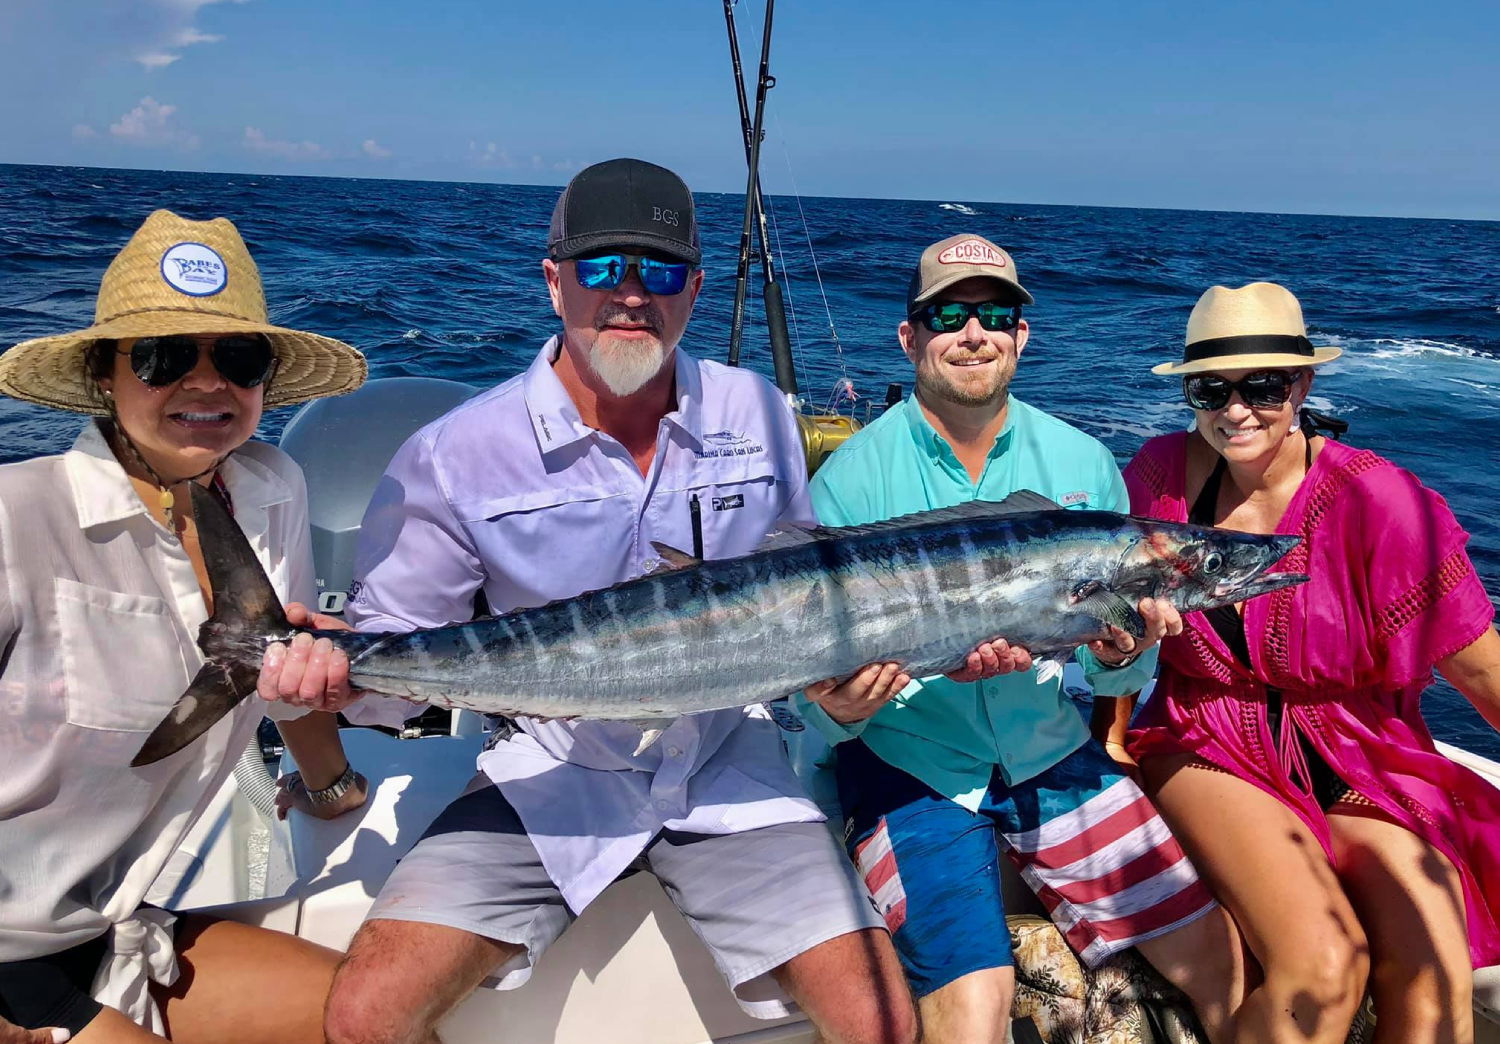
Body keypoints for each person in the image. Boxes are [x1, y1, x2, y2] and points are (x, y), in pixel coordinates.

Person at [276, 159, 918, 1044]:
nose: (630, 295)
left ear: (694, 287)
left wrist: (833, 690)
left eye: (658, 271)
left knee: (883, 1022)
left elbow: (802, 610)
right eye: (600, 268)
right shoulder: (455, 453)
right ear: (553, 281)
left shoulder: (760, 411)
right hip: (554, 771)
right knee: (364, 1015)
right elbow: (394, 680)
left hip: (728, 760)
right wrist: (335, 673)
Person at [793, 234, 1250, 1044]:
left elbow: (1113, 667)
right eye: (948, 315)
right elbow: (817, 698)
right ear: (909, 336)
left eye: (995, 314)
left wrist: (1118, 653)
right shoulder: (850, 478)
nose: (975, 332)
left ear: (1021, 335)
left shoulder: (1079, 460)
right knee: (972, 1015)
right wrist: (839, 706)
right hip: (910, 769)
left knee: (1220, 962)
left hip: (1051, 752)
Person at [0, 209, 371, 1043]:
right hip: (10, 960)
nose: (208, 385)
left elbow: (285, 680)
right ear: (105, 373)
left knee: (378, 1018)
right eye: (164, 357)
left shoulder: (273, 491)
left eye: (238, 360)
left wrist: (334, 791)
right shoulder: (14, 516)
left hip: (119, 926)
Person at [1100, 281, 1500, 1044]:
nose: (1237, 409)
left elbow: (1481, 672)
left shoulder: (1379, 500)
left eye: (1265, 386)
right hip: (1206, 735)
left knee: (1437, 962)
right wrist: (1112, 728)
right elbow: (1112, 625)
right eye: (1211, 389)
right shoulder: (1157, 477)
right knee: (1323, 966)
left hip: (1355, 751)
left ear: (1304, 384)